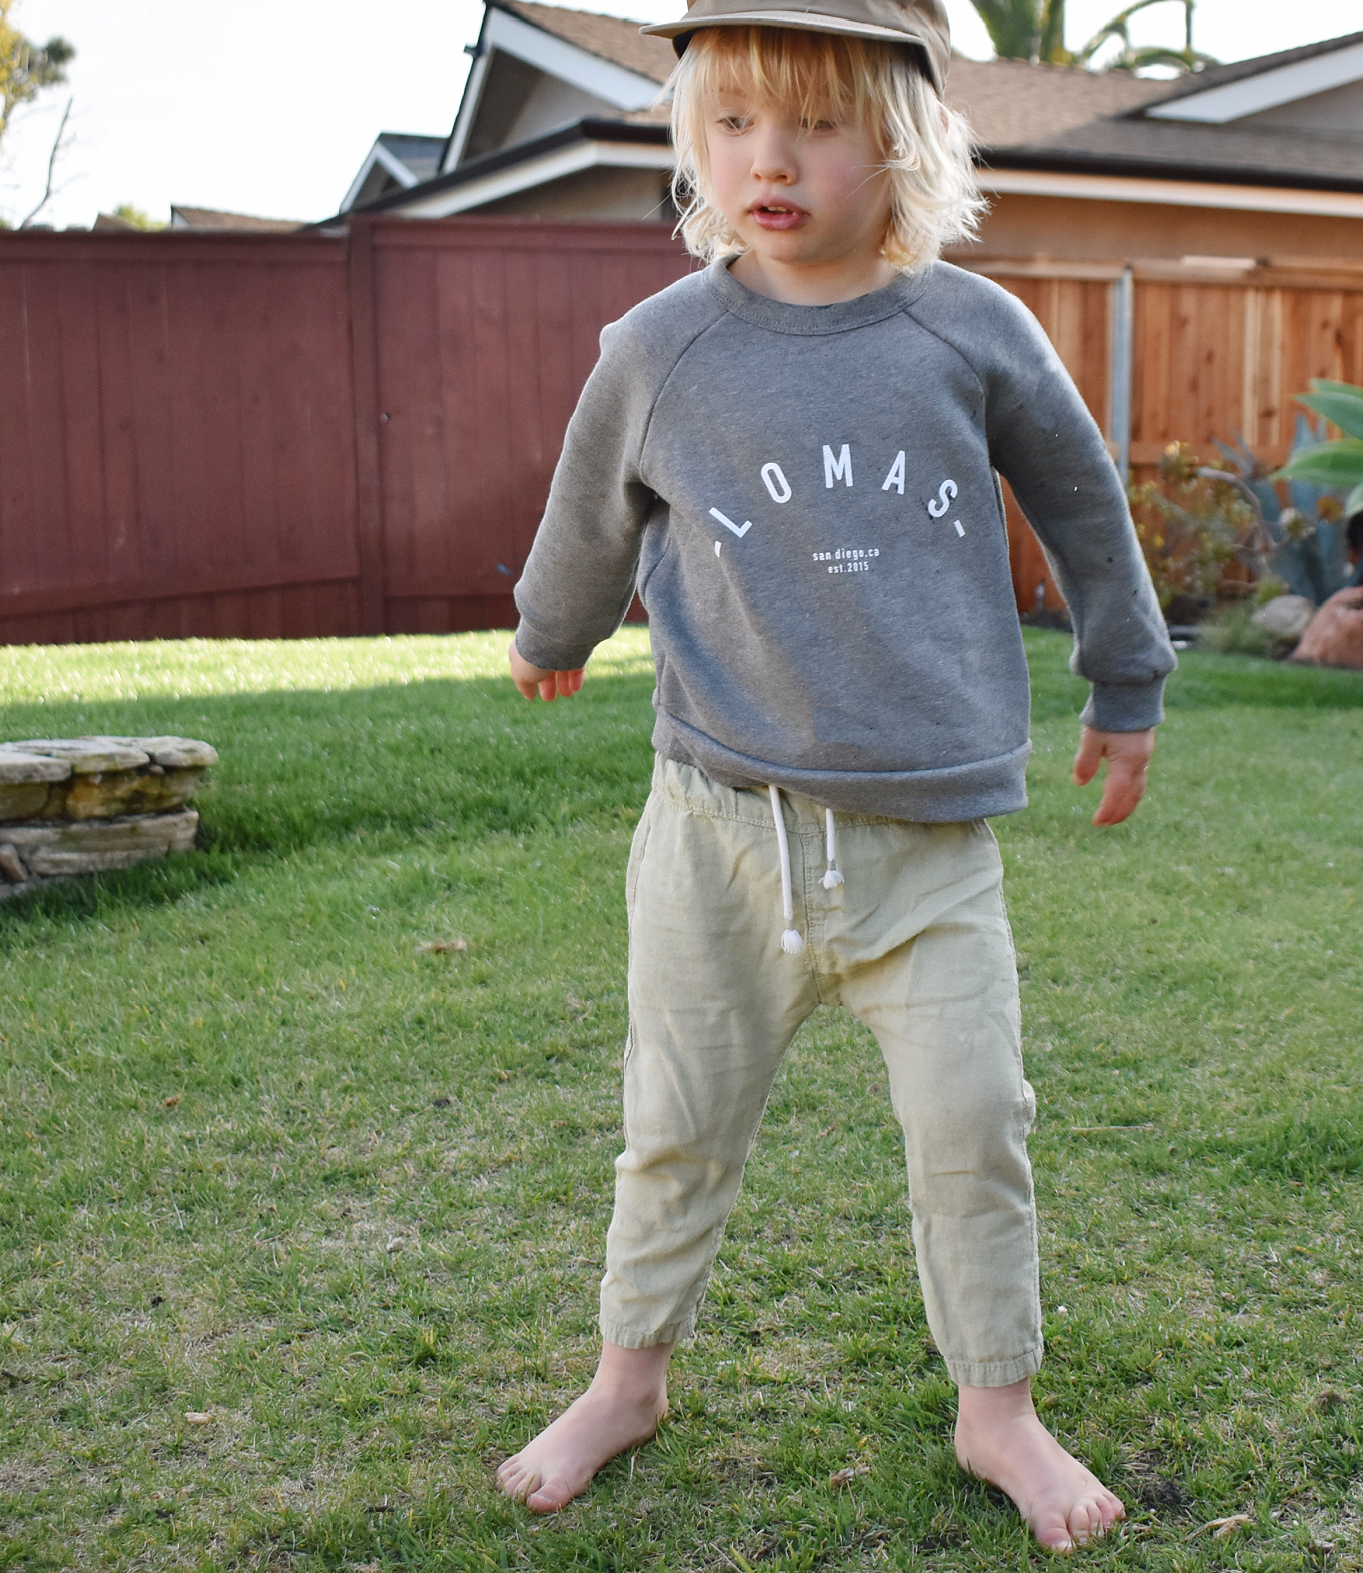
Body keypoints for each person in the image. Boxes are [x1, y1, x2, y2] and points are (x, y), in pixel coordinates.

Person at [497, 0, 1175, 1551]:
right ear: (694, 142)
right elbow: (594, 505)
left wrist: (1126, 682)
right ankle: (628, 1379)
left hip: (929, 851)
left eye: (812, 123)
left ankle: (997, 1406)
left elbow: (1084, 509)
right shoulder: (661, 346)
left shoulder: (971, 331)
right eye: (733, 123)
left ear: (904, 138)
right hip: (717, 836)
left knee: (974, 1125)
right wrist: (554, 625)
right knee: (675, 1124)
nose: (769, 159)